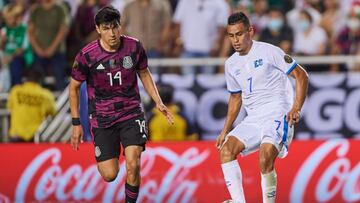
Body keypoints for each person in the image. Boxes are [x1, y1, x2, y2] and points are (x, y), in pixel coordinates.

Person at [68, 6, 173, 203]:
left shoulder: (134, 47)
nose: (112, 33)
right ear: (98, 29)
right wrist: (76, 123)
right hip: (101, 117)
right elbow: (73, 87)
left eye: (115, 27)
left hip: (130, 112)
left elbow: (144, 72)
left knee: (133, 163)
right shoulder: (87, 55)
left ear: (120, 26)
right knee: (109, 174)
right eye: (107, 28)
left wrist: (158, 101)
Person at [216, 12, 308, 203]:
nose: (235, 40)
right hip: (253, 118)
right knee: (226, 150)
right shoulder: (231, 64)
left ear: (250, 31)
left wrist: (296, 107)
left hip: (278, 112)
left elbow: (301, 75)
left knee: (265, 157)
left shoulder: (269, 51)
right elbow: (235, 97)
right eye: (231, 35)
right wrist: (225, 130)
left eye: (239, 34)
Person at [6, 69, 56, 142]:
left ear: (26, 79)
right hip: (35, 136)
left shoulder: (15, 91)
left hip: (16, 135)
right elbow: (53, 112)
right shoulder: (46, 95)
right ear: (40, 80)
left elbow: (9, 107)